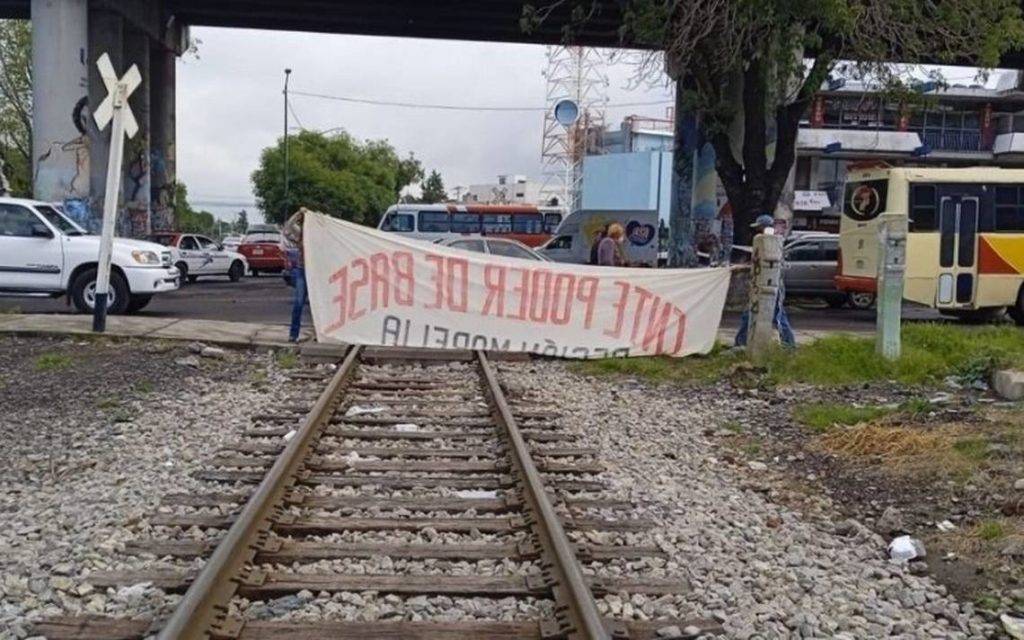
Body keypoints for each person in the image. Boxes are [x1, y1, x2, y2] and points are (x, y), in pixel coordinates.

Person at [734, 214, 795, 348]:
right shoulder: (761, 241)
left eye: (760, 227)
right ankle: (741, 342)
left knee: (778, 317)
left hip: (772, 286)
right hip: (760, 284)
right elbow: (757, 263)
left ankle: (789, 344)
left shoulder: (772, 241)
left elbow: (769, 263)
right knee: (750, 314)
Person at [282, 209, 307, 343]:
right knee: (298, 302)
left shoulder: (319, 236)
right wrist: (298, 213)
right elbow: (288, 227)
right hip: (302, 271)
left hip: (315, 273)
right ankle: (293, 334)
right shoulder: (300, 233)